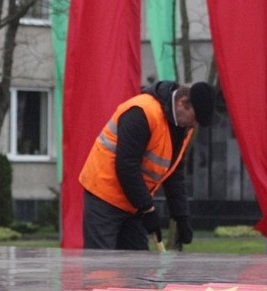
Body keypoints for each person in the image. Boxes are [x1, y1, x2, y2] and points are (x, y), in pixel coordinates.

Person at [79, 80, 216, 250]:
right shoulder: (142, 112)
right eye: (194, 119)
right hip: (104, 195)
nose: (194, 125)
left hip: (133, 201)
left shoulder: (183, 127)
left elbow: (174, 172)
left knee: (138, 262)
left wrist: (181, 216)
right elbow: (127, 166)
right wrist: (148, 209)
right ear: (182, 103)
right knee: (100, 261)